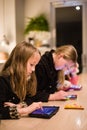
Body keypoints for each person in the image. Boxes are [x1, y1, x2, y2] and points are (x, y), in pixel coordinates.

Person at [0, 41, 42, 119]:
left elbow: (32, 97)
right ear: (19, 62)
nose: (33, 69)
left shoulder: (27, 77)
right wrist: (25, 110)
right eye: (31, 64)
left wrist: (20, 105)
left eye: (35, 65)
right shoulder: (3, 81)